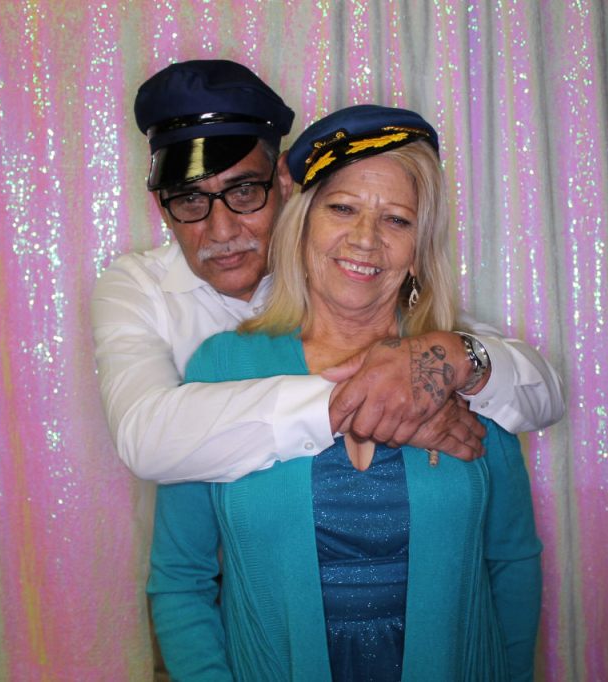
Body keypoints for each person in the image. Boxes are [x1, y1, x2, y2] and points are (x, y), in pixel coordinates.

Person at [149, 105, 542, 680]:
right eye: (342, 208)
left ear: (418, 249)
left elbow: (511, 559)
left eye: (396, 220)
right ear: (302, 222)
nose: (365, 240)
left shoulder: (460, 367)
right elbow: (180, 578)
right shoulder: (223, 366)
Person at [91, 59, 564, 485]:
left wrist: (455, 354)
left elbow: (540, 392)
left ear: (283, 181)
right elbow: (146, 439)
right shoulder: (136, 287)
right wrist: (372, 401)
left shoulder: (348, 270)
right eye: (190, 199)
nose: (221, 230)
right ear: (161, 205)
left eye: (244, 192)